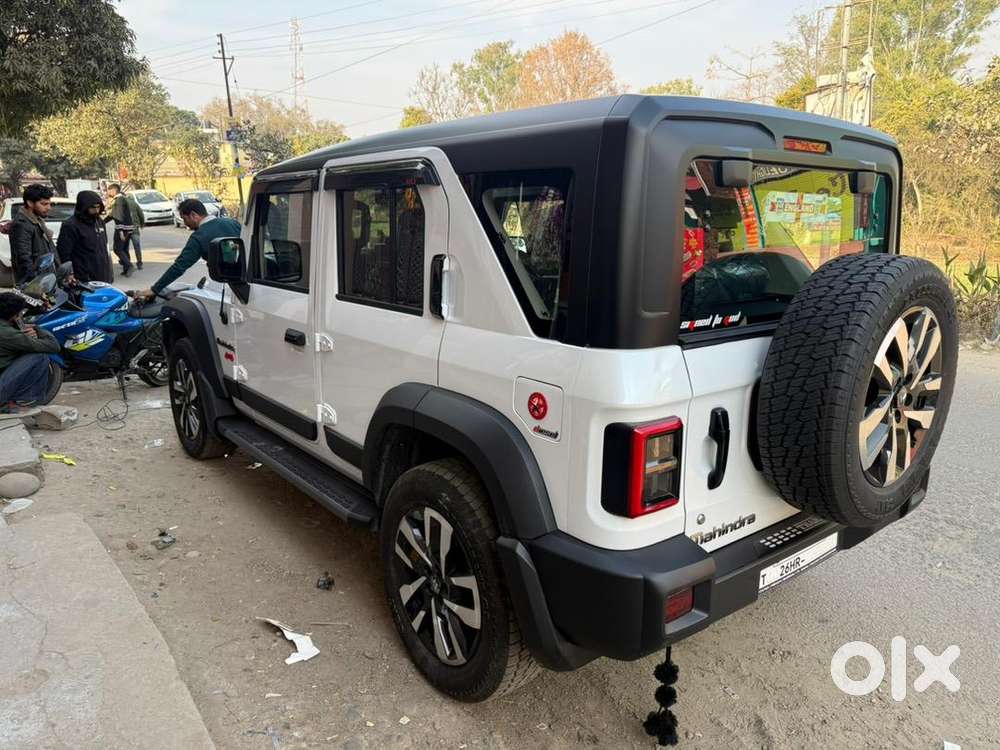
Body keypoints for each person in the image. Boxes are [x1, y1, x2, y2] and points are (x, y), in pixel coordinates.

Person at [135, 199, 241, 299]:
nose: (186, 224)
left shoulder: (199, 236)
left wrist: (155, 289)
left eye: (185, 219)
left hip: (227, 286)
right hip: (249, 281)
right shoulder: (233, 223)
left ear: (193, 215)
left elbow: (179, 266)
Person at [0, 292, 60, 412]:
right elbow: (53, 346)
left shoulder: (6, 329)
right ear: (14, 316)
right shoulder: (8, 334)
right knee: (40, 357)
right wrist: (37, 329)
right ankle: (22, 402)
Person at [56, 191, 114, 283]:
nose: (96, 211)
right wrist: (70, 273)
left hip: (102, 275)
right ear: (83, 207)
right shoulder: (71, 225)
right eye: (92, 207)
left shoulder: (99, 221)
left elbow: (103, 248)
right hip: (83, 277)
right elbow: (63, 253)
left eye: (98, 207)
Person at [9, 184, 56, 285]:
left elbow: (51, 249)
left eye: (49, 204)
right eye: (44, 204)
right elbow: (24, 259)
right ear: (30, 203)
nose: (49, 208)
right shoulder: (21, 224)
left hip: (46, 280)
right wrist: (35, 285)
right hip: (34, 285)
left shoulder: (38, 220)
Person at [105, 184, 145, 276]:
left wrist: (120, 231)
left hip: (122, 229)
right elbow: (112, 215)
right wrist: (103, 221)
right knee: (124, 249)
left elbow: (119, 217)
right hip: (129, 229)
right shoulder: (121, 200)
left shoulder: (119, 201)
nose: (108, 193)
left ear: (114, 191)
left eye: (109, 191)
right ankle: (126, 269)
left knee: (117, 249)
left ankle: (129, 266)